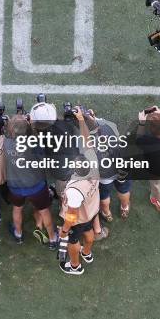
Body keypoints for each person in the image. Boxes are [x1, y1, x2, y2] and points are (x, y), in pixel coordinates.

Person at [4, 114, 58, 250]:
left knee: (17, 209)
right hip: (36, 186)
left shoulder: (5, 142)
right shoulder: (34, 143)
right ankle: (52, 238)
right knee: (44, 211)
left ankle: (18, 234)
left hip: (15, 186)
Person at [58, 109, 101, 276]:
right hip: (91, 210)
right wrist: (81, 120)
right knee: (88, 231)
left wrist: (64, 230)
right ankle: (87, 253)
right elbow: (87, 140)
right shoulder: (92, 160)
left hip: (79, 217)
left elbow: (72, 216)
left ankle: (75, 265)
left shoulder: (74, 190)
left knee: (72, 240)